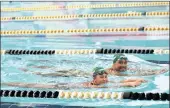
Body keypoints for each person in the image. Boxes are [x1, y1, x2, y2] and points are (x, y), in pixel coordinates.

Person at [20, 54, 168, 77]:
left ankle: (35, 69)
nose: (123, 65)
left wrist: (161, 70)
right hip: (81, 73)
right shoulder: (109, 71)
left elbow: (144, 72)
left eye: (125, 62)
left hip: (88, 71)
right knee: (58, 72)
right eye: (120, 62)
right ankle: (35, 70)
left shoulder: (127, 69)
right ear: (113, 63)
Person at [2, 67, 146, 89]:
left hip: (67, 83)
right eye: (102, 77)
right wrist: (133, 84)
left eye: (105, 77)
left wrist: (135, 80)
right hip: (63, 86)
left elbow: (119, 82)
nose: (105, 79)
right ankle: (5, 82)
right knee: (30, 85)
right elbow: (120, 85)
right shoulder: (91, 85)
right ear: (94, 79)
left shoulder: (103, 82)